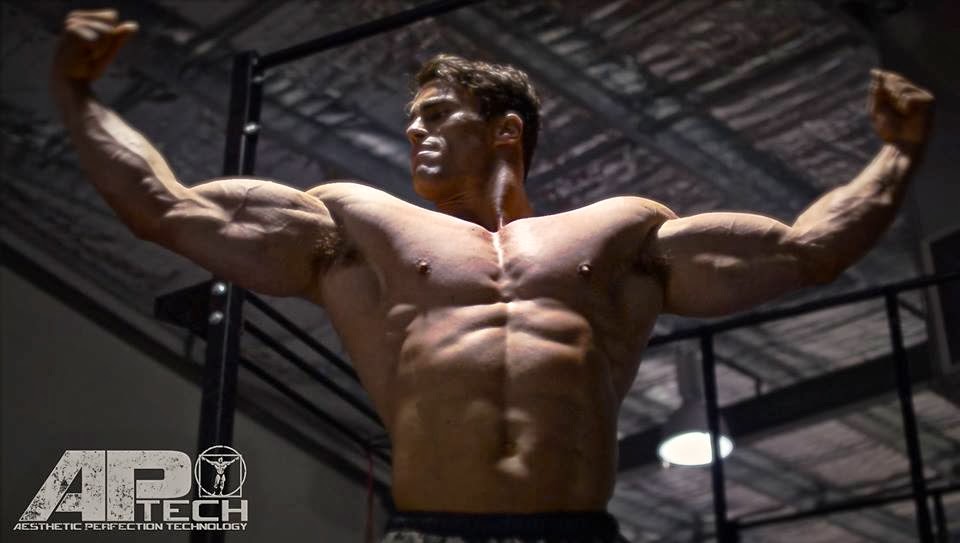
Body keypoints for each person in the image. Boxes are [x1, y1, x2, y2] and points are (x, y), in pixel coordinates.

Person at [51, 9, 934, 543]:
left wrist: (898, 154)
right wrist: (76, 97)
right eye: (413, 119)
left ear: (506, 129)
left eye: (438, 114)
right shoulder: (355, 226)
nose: (415, 132)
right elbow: (163, 207)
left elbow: (806, 250)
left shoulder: (622, 231)